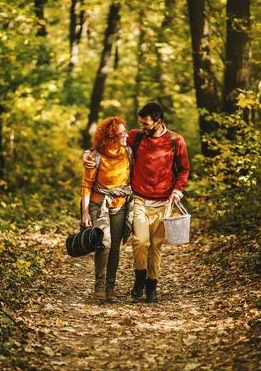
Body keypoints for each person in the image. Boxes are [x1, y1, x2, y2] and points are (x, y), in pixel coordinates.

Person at [83, 103, 190, 302]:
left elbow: (183, 170)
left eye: (146, 123)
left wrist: (177, 190)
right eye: (141, 122)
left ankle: (151, 285)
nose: (142, 126)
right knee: (141, 242)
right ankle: (139, 278)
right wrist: (86, 154)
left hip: (164, 202)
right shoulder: (136, 136)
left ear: (158, 121)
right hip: (140, 199)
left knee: (155, 246)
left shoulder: (176, 140)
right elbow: (107, 144)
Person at [81, 116, 133, 302]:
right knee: (105, 244)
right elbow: (87, 185)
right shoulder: (95, 156)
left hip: (120, 205)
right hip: (99, 203)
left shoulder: (127, 152)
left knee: (116, 248)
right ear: (111, 136)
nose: (127, 134)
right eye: (122, 133)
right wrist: (85, 212)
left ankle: (110, 287)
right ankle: (99, 285)